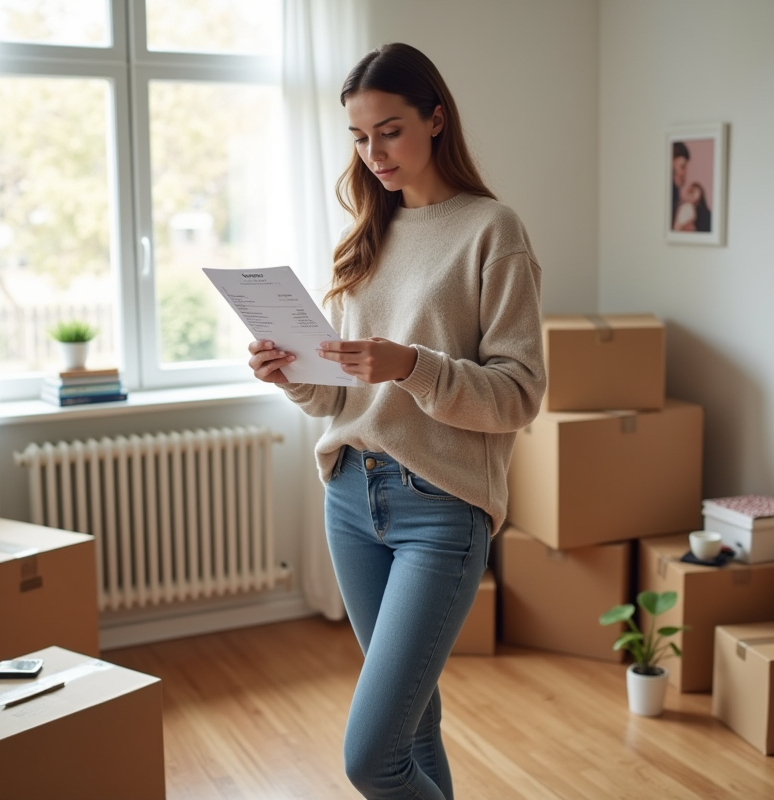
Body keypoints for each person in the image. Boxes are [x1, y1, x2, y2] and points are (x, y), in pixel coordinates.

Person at [247, 42, 545, 800]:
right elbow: (343, 396)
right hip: (350, 495)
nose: (372, 152)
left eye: (389, 129)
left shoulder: (492, 230)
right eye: (357, 136)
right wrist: (292, 377)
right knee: (412, 731)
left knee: (369, 758)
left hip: (442, 509)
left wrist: (412, 366)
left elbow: (519, 394)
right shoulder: (366, 234)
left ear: (435, 120)